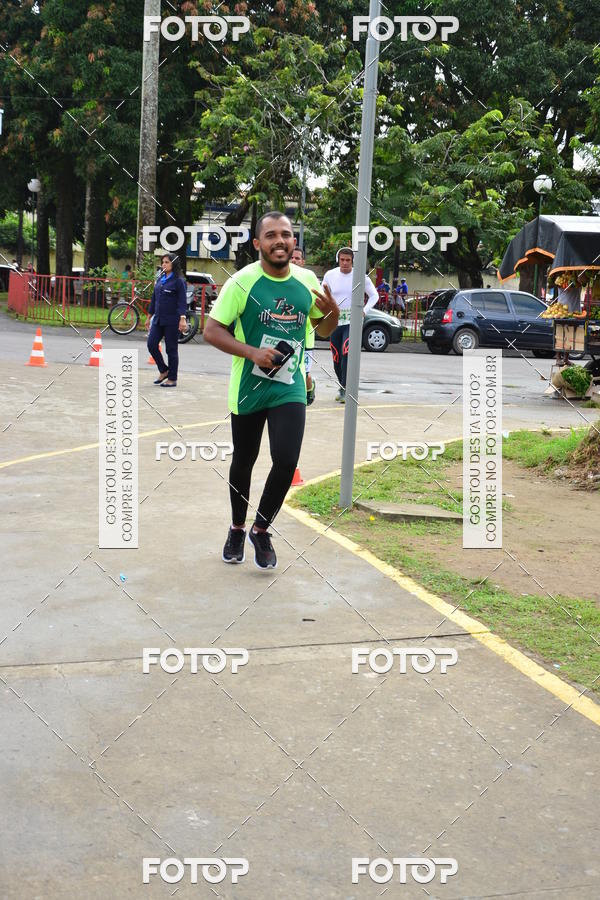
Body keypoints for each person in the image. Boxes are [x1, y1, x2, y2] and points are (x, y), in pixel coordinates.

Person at [204, 211, 339, 569]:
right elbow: (211, 331)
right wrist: (252, 353)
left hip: (288, 386)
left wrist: (333, 314)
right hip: (249, 387)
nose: (280, 240)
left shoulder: (307, 280)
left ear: (294, 242)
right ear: (257, 244)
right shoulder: (242, 282)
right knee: (244, 462)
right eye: (272, 235)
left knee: (286, 460)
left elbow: (323, 331)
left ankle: (261, 530)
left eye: (287, 234)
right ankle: (236, 527)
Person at [322, 247, 379, 403]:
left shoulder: (361, 276)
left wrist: (364, 311)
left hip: (352, 323)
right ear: (338, 260)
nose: (345, 263)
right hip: (335, 322)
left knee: (347, 353)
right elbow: (323, 296)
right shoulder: (330, 275)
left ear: (353, 261)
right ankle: (342, 386)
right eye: (342, 260)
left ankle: (347, 389)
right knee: (337, 357)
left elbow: (374, 295)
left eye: (348, 260)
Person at [147, 253, 187, 387]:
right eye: (162, 262)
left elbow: (182, 301)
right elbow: (154, 299)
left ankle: (172, 378)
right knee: (151, 344)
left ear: (173, 264)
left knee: (171, 349)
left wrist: (182, 319)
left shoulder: (178, 281)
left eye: (166, 262)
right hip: (158, 319)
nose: (163, 264)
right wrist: (149, 316)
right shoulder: (160, 279)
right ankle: (163, 370)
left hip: (172, 320)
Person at [291, 246, 316, 405]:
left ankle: (310, 387)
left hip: (306, 336)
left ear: (303, 262)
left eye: (297, 258)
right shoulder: (281, 280)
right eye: (291, 258)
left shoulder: (310, 281)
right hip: (287, 335)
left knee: (305, 374)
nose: (294, 260)